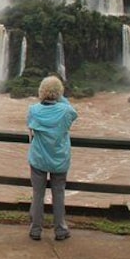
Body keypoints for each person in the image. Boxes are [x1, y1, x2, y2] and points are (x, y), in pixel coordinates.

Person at [26, 75, 78, 241]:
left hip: (39, 158)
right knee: (59, 194)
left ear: (41, 91)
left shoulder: (33, 110)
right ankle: (60, 230)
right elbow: (73, 113)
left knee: (37, 194)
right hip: (59, 158)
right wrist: (59, 96)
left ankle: (35, 229)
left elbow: (30, 127)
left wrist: (46, 96)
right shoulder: (66, 111)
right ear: (59, 92)